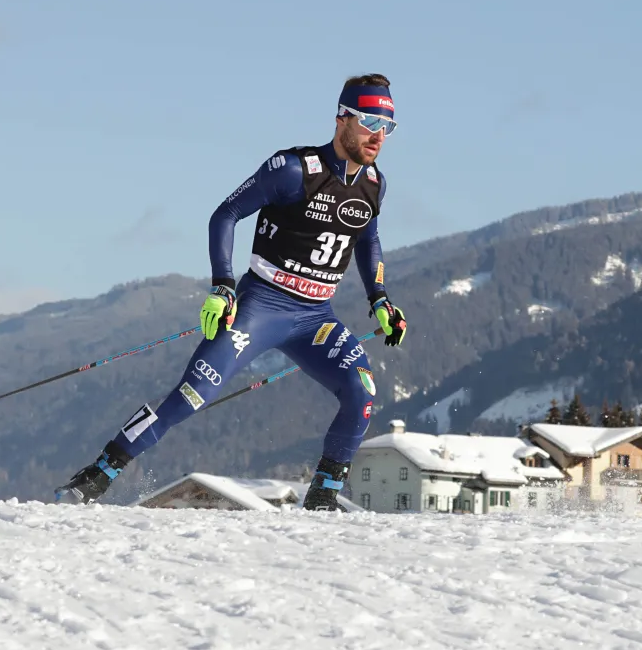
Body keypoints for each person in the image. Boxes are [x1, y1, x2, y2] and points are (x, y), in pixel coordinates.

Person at [55, 74, 408, 511]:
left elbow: (367, 238)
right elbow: (225, 215)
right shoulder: (293, 169)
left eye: (387, 126)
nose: (377, 135)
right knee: (191, 396)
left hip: (316, 317)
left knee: (362, 392)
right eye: (369, 120)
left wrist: (380, 298)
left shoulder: (375, 183)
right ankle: (98, 474)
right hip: (261, 306)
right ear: (342, 119)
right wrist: (222, 286)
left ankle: (321, 500)